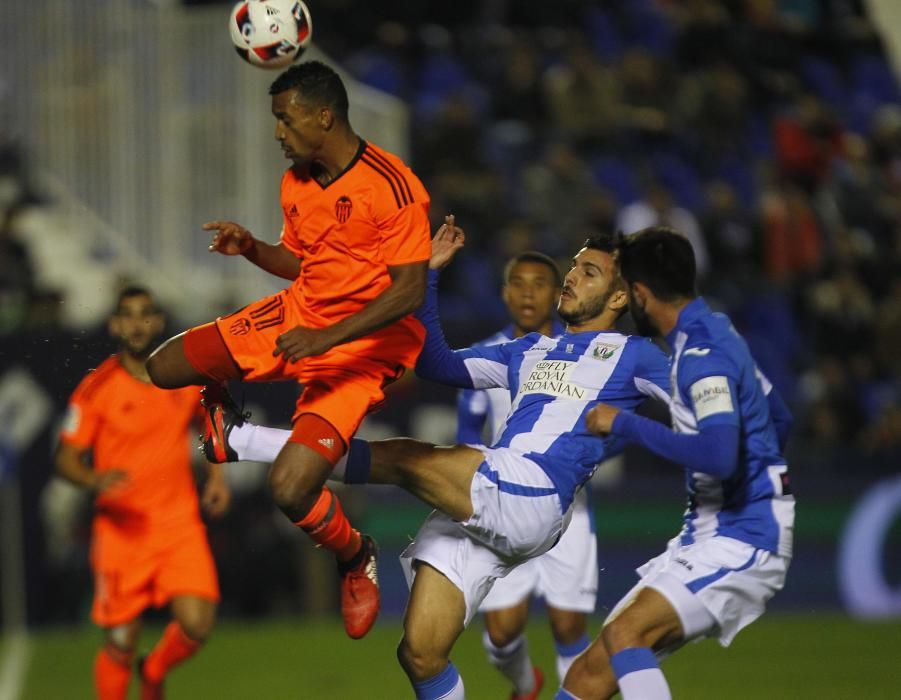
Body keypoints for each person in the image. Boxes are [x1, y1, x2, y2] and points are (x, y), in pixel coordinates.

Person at [201, 219, 672, 698]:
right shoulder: (530, 350)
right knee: (420, 653)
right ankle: (239, 439)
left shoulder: (635, 355)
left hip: (535, 490)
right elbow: (435, 363)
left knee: (407, 457)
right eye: (573, 267)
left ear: (619, 299)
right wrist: (426, 275)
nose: (570, 277)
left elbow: (697, 401)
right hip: (496, 497)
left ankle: (241, 439)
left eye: (589, 272)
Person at [145, 60, 431, 639]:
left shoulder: (393, 185)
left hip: (366, 348)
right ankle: (222, 413)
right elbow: (303, 262)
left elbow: (408, 292)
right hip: (302, 314)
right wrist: (252, 248)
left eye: (285, 118)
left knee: (290, 488)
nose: (278, 132)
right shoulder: (296, 181)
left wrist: (326, 338)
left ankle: (354, 557)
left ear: (323, 116)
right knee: (164, 366)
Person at [558, 226, 795, 700]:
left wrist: (622, 423)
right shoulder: (716, 332)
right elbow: (778, 416)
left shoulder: (700, 358)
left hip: (743, 537)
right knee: (588, 675)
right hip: (711, 530)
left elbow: (720, 455)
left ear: (641, 295)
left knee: (626, 636)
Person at [56, 286, 230, 700]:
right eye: (128, 315)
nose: (137, 323)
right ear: (115, 324)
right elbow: (66, 457)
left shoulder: (179, 378)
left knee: (198, 624)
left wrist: (217, 478)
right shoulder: (97, 387)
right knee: (119, 640)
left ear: (157, 322)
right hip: (122, 531)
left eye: (145, 314)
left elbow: (208, 426)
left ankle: (153, 671)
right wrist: (93, 480)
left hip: (177, 524)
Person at [456, 252, 596, 700]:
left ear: (558, 295)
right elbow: (466, 434)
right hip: (506, 507)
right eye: (519, 283)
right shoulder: (489, 356)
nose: (528, 292)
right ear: (505, 292)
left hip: (567, 511)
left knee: (569, 623)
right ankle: (524, 686)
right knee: (501, 633)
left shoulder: (582, 354)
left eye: (539, 284)